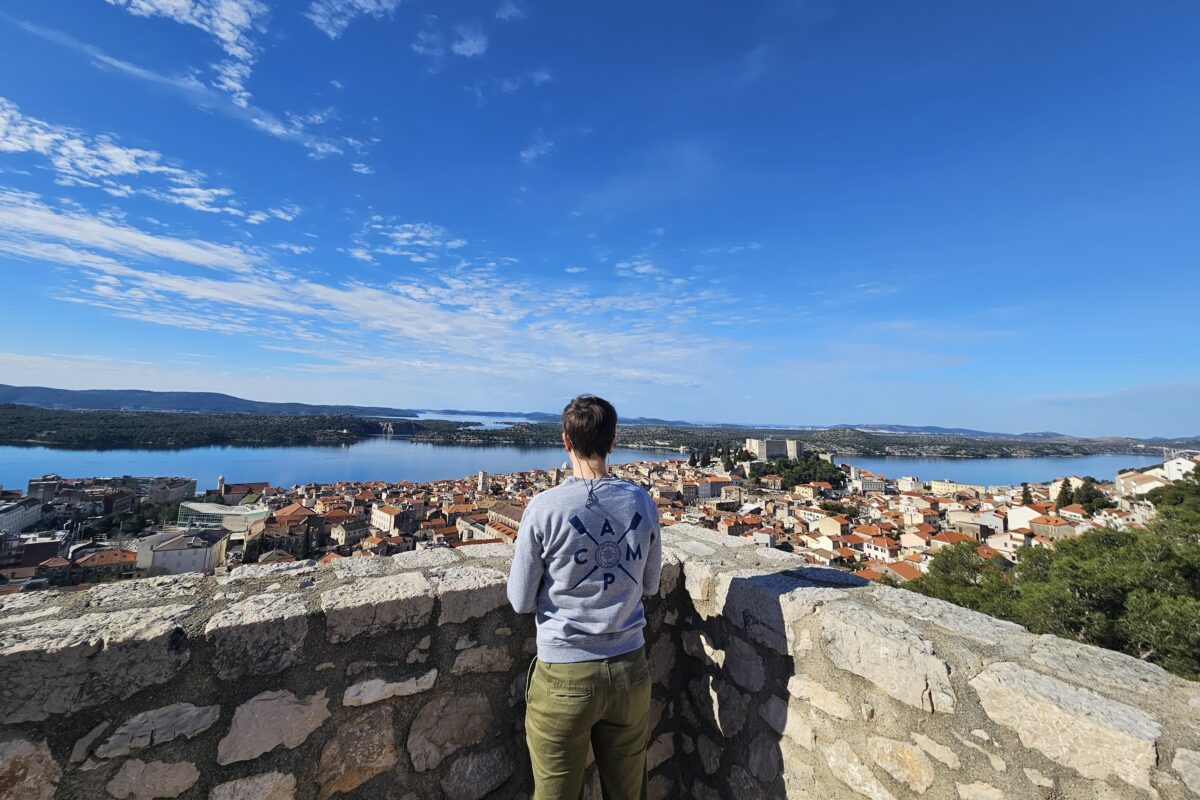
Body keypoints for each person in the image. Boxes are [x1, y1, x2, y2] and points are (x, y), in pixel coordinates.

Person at [507, 394, 663, 800]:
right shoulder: (641, 503)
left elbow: (521, 600)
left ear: (565, 442)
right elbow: (649, 585)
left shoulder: (544, 508)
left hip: (564, 676)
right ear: (613, 443)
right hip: (630, 671)